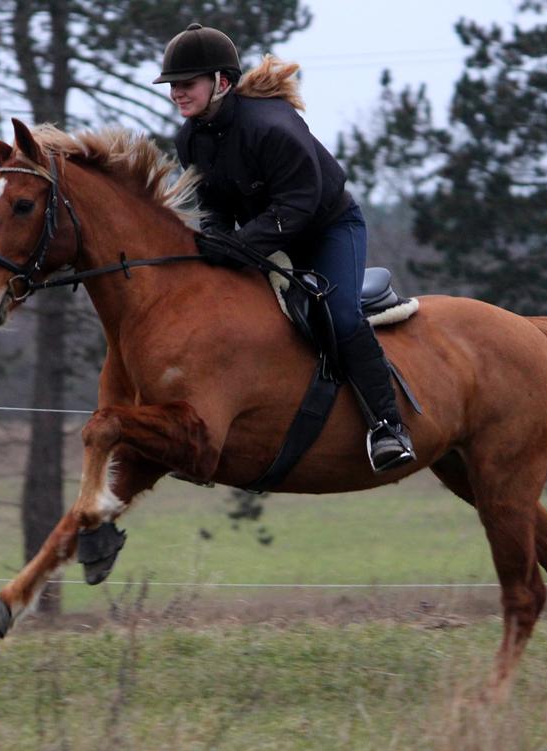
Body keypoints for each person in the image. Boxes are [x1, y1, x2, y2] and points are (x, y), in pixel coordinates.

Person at [154, 23, 416, 473]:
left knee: (341, 315)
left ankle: (388, 427)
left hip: (327, 228)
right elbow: (213, 204)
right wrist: (214, 238)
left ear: (221, 82)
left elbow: (298, 205)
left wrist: (237, 244)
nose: (177, 93)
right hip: (267, 233)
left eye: (187, 84)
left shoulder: (271, 127)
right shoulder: (190, 139)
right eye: (173, 85)